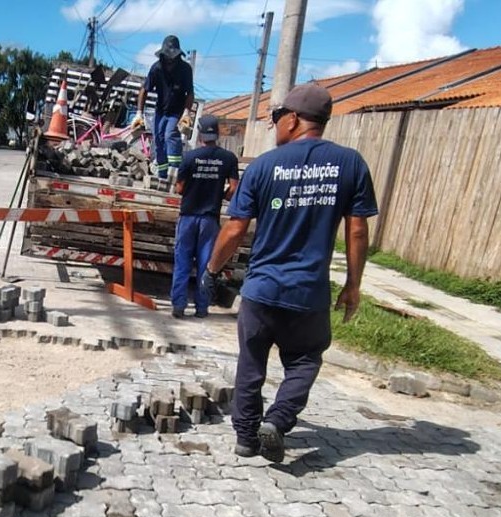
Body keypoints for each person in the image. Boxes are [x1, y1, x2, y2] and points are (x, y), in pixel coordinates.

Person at [202, 83, 379, 463]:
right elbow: (359, 229)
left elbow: (234, 228)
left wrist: (212, 269)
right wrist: (353, 285)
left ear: (294, 119)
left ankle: (246, 438)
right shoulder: (351, 164)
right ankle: (278, 421)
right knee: (305, 360)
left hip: (262, 289)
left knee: (252, 362)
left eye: (278, 118)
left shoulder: (264, 166)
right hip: (308, 293)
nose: (276, 126)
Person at [170, 114, 239, 319]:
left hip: (189, 217)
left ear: (199, 134)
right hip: (210, 219)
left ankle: (179, 306)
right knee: (206, 265)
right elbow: (234, 187)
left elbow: (180, 188)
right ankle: (201, 308)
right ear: (216, 134)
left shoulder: (189, 157)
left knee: (182, 262)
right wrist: (220, 195)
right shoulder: (228, 158)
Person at [135, 35, 194, 181]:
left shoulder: (185, 69)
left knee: (170, 135)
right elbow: (144, 90)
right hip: (161, 110)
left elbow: (190, 93)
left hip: (177, 111)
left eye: (172, 58)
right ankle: (162, 174)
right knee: (159, 139)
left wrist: (186, 113)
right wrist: (139, 114)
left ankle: (174, 173)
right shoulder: (157, 68)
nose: (169, 60)